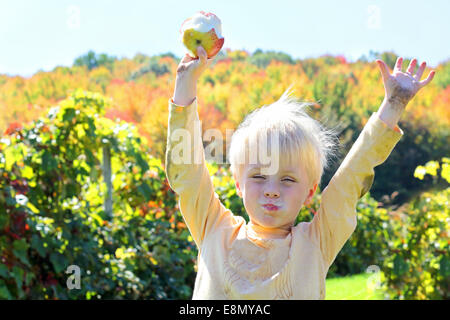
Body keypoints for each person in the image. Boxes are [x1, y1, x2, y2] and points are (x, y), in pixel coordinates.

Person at [165, 46, 435, 299]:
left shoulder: (316, 243)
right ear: (238, 183)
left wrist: (395, 103)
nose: (272, 189)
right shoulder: (214, 230)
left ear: (309, 191)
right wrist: (185, 82)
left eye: (288, 179)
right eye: (258, 176)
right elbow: (187, 171)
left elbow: (351, 178)